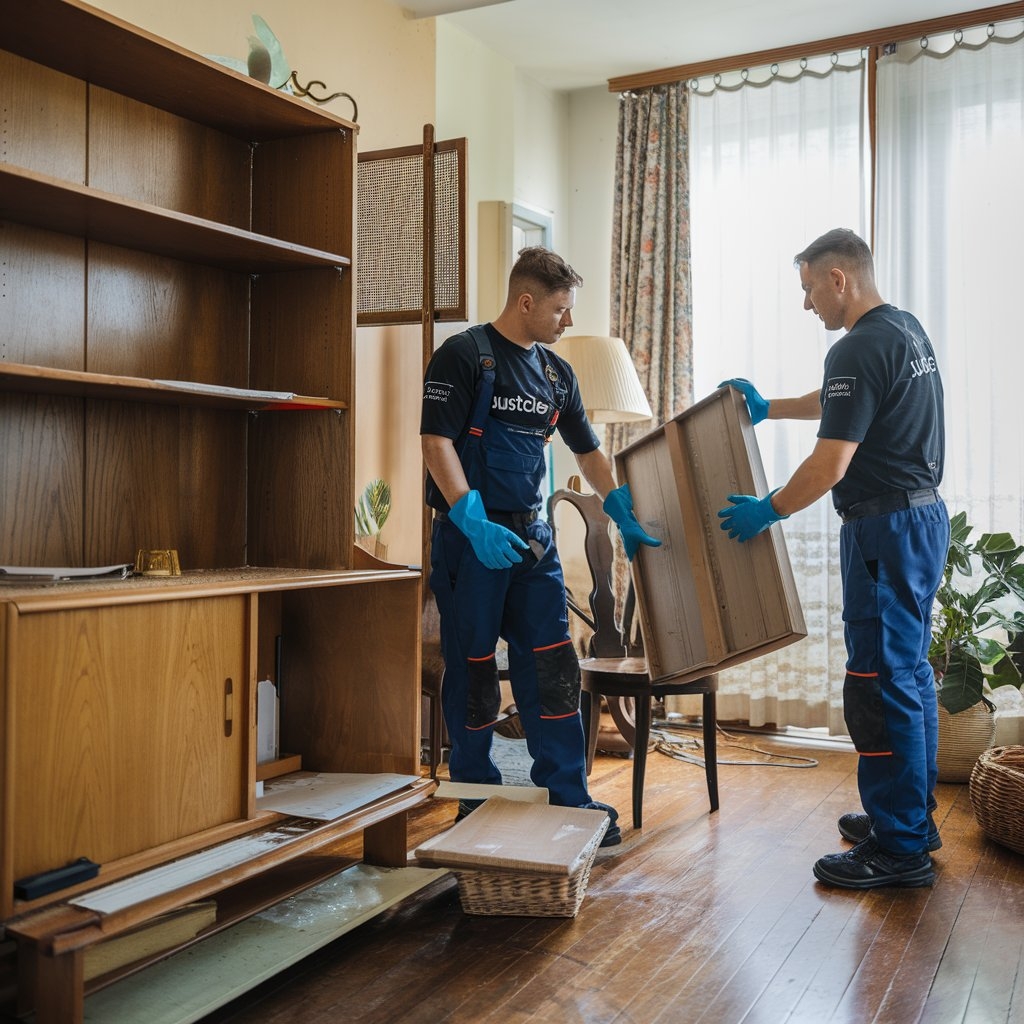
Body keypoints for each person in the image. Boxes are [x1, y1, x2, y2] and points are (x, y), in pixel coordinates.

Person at [717, 228, 949, 889]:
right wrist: (770, 410)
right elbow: (839, 405)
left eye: (809, 288)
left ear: (839, 279)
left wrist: (770, 509)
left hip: (883, 530)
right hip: (918, 518)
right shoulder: (902, 331)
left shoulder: (854, 347)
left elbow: (829, 463)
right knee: (908, 676)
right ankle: (911, 820)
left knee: (878, 683)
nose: (807, 303)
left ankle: (899, 849)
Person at [420, 246, 660, 848]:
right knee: (473, 668)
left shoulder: (555, 374)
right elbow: (436, 441)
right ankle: (474, 798)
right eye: (560, 309)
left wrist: (621, 505)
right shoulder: (462, 356)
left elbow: (586, 450)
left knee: (552, 667)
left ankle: (567, 796)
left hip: (531, 541)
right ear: (525, 301)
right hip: (472, 538)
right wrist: (469, 517)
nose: (567, 321)